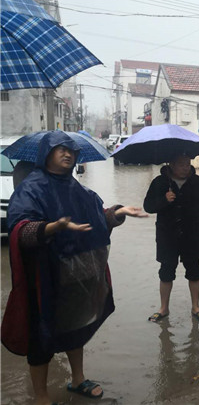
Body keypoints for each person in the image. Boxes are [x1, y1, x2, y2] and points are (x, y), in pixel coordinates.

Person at [1, 131, 147, 405]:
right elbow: (20, 230)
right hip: (43, 277)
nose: (68, 154)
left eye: (72, 150)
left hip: (76, 275)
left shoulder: (78, 189)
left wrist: (118, 213)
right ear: (46, 153)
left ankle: (78, 380)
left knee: (76, 327)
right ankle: (41, 397)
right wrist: (51, 227)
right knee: (40, 336)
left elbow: (97, 219)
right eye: (61, 149)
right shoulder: (30, 189)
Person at [144, 154, 199, 323]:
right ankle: (163, 308)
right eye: (181, 164)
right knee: (166, 271)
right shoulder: (160, 182)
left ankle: (196, 307)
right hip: (167, 235)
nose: (185, 167)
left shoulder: (197, 183)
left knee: (194, 271)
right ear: (172, 165)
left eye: (188, 164)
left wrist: (193, 219)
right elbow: (148, 206)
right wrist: (164, 200)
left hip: (192, 235)